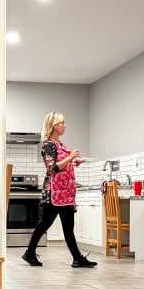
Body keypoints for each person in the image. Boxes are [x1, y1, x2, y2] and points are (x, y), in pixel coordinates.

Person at [21, 112, 98, 269]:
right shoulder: (47, 145)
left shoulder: (61, 145)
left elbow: (62, 164)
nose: (65, 125)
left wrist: (75, 162)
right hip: (54, 193)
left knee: (68, 227)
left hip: (66, 192)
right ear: (54, 126)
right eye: (62, 123)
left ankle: (77, 259)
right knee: (45, 224)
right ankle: (29, 253)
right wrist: (70, 158)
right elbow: (53, 168)